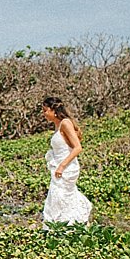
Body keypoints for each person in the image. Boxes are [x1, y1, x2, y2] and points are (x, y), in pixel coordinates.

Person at [41, 96, 92, 224]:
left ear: (54, 110)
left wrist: (62, 166)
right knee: (59, 197)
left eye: (45, 110)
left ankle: (68, 224)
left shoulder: (65, 123)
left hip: (66, 168)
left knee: (60, 196)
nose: (44, 114)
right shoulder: (57, 126)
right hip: (59, 166)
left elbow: (77, 148)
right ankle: (66, 225)